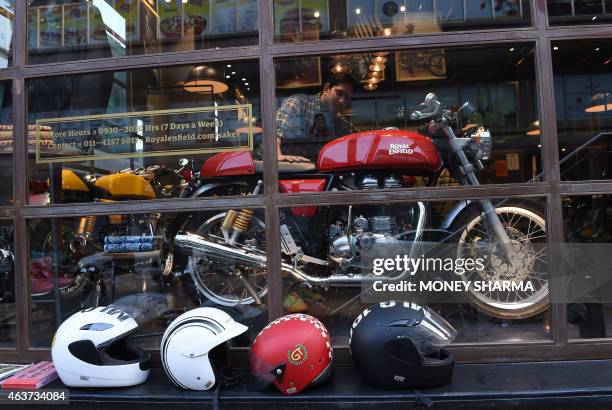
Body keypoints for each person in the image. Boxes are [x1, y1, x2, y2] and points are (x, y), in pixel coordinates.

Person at [275, 73, 358, 163]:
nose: (342, 101)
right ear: (326, 89)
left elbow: (357, 138)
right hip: (289, 168)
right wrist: (277, 155)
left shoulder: (339, 120)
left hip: (316, 168)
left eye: (347, 98)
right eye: (339, 93)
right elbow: (274, 132)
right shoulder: (298, 102)